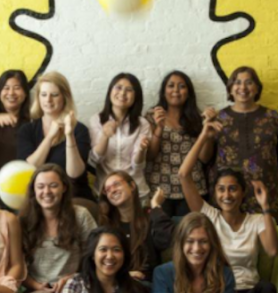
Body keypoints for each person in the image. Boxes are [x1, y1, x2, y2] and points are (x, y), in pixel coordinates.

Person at [179, 118, 278, 293]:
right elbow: (183, 175)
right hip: (221, 290)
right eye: (221, 189)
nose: (227, 195)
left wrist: (266, 206)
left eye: (233, 189)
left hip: (249, 290)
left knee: (267, 289)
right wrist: (204, 134)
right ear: (215, 193)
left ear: (242, 193)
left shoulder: (255, 221)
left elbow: (272, 250)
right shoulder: (209, 216)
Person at [20, 164, 97, 293]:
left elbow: (95, 256)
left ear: (64, 187)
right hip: (34, 290)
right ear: (34, 190)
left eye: (53, 185)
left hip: (70, 288)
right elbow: (17, 266)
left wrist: (73, 278)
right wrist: (37, 286)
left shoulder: (80, 215)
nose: (46, 191)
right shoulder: (24, 221)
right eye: (41, 186)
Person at [208, 66, 278, 223]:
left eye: (249, 82)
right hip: (228, 198)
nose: (242, 87)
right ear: (230, 88)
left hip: (268, 196)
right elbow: (207, 159)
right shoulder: (219, 119)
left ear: (257, 88)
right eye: (237, 82)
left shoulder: (273, 118)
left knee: (270, 237)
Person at [17, 72, 95, 214]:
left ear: (64, 97)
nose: (48, 100)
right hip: (40, 199)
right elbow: (30, 168)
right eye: (43, 94)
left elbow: (74, 174)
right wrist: (50, 136)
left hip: (75, 197)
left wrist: (69, 135)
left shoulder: (79, 130)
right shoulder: (27, 130)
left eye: (54, 95)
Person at [145, 71, 213, 217]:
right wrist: (159, 128)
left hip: (192, 187)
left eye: (182, 86)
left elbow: (204, 158)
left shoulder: (198, 119)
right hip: (160, 190)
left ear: (189, 93)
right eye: (171, 86)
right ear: (164, 91)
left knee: (191, 230)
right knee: (160, 229)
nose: (176, 90)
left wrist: (207, 132)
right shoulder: (152, 117)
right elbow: (150, 155)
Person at [97, 171, 173, 283]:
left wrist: (155, 205)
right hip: (117, 283)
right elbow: (100, 266)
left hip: (148, 284)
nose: (112, 190)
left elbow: (165, 241)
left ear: (132, 186)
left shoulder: (149, 216)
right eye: (107, 190)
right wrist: (125, 275)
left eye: (116, 184)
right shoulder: (107, 226)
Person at [89, 73, 152, 204]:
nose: (122, 93)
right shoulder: (96, 120)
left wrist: (141, 150)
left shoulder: (143, 124)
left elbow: (137, 166)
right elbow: (95, 160)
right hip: (105, 192)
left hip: (135, 192)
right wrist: (105, 136)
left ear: (136, 96)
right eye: (118, 87)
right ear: (110, 91)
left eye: (129, 90)